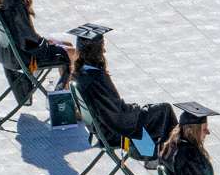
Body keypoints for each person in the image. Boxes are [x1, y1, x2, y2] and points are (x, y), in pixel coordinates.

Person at [70, 22, 174, 162]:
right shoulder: (97, 78)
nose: (104, 51)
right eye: (102, 47)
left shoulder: (80, 73)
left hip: (100, 128)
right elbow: (117, 118)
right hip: (112, 132)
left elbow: (111, 109)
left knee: (155, 112)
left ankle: (157, 157)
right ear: (97, 51)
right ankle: (165, 161)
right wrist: (138, 111)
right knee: (164, 110)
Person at [0, 0, 71, 113]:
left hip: (6, 53)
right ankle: (62, 108)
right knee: (67, 55)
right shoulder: (16, 2)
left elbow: (24, 34)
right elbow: (29, 37)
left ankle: (67, 103)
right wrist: (46, 44)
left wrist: (46, 41)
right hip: (21, 56)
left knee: (66, 44)